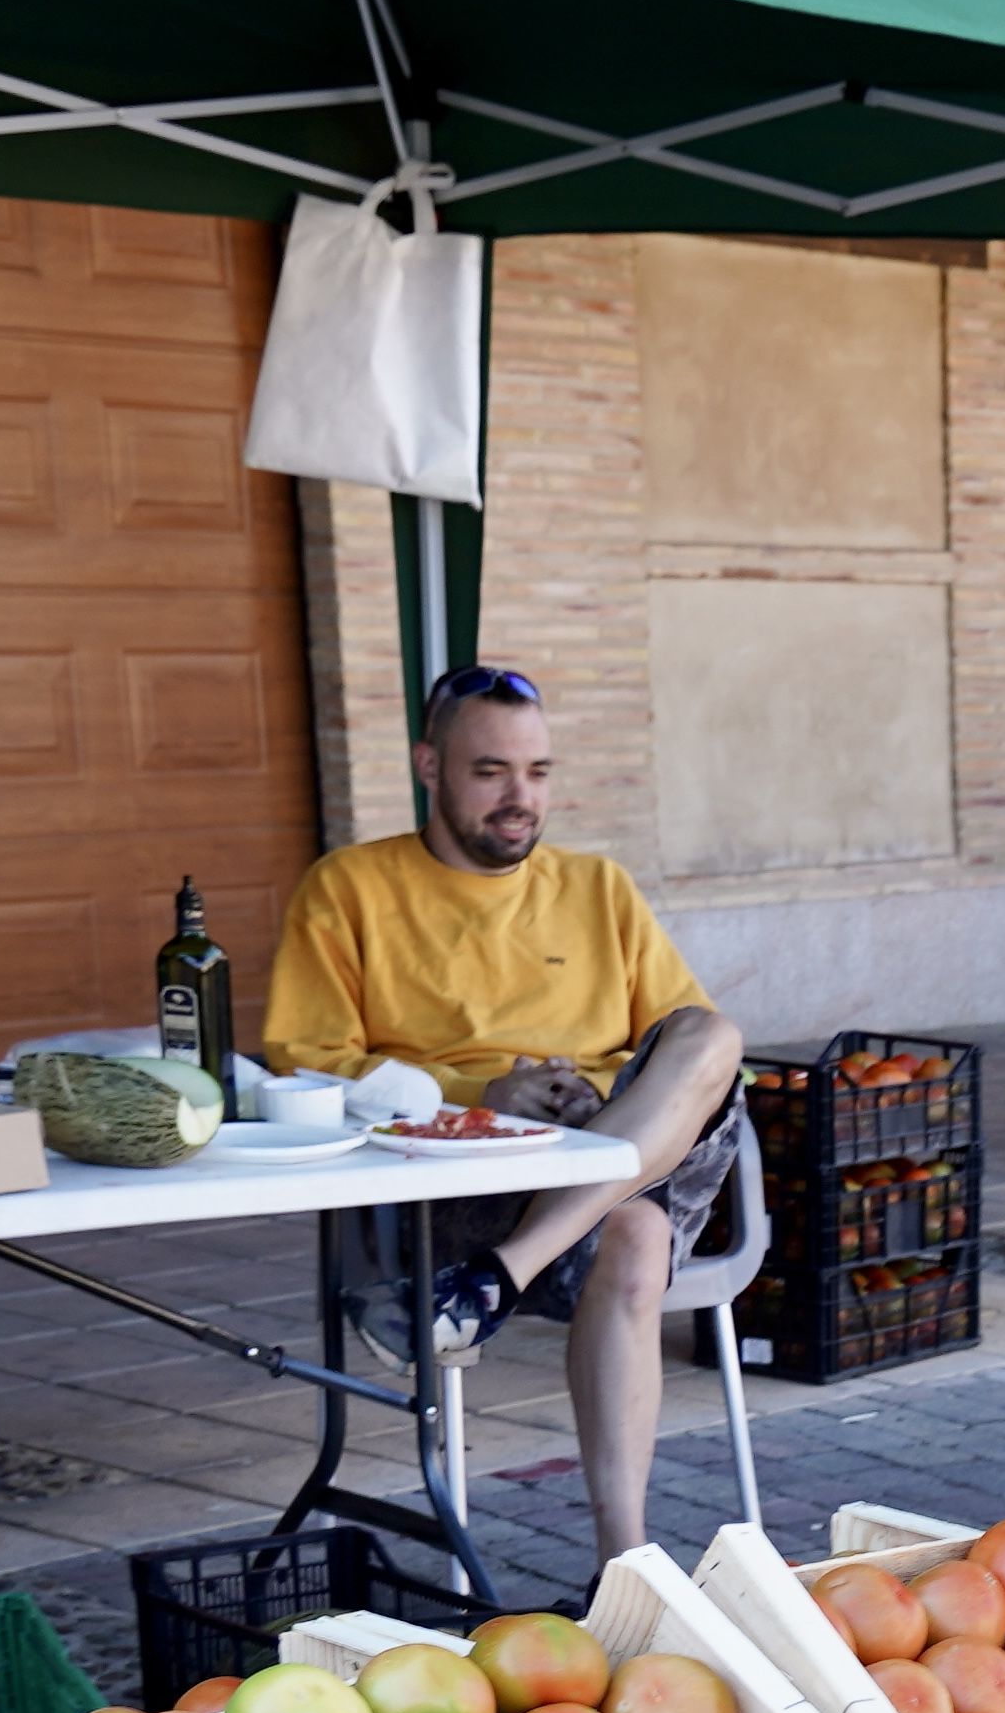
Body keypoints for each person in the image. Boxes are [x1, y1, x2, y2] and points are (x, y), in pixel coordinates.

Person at [254, 668, 751, 1560]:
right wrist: (480, 1098)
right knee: (633, 1234)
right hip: (453, 1189)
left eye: (539, 771)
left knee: (712, 1035)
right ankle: (626, 1556)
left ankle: (619, 1565)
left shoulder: (598, 886)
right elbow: (306, 1062)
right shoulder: (349, 889)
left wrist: (601, 1099)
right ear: (428, 767)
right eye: (491, 772)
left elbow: (680, 1047)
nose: (522, 799)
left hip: (593, 1164)